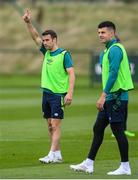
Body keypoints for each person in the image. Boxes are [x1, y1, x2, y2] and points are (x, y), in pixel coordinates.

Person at [70, 21, 134, 175]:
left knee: (118, 130)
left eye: (103, 32)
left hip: (116, 96)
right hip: (111, 97)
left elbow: (113, 73)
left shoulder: (115, 50)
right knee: (98, 128)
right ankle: (89, 163)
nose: (100, 35)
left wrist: (103, 95)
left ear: (112, 33)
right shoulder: (106, 51)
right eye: (99, 32)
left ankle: (125, 167)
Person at [22, 10, 75, 163]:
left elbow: (72, 74)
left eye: (47, 40)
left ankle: (51, 154)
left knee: (55, 125)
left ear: (54, 40)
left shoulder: (64, 55)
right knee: (50, 126)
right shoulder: (46, 53)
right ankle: (57, 154)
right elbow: (35, 37)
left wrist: (69, 94)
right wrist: (28, 23)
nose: (44, 42)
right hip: (46, 93)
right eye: (44, 40)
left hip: (59, 94)